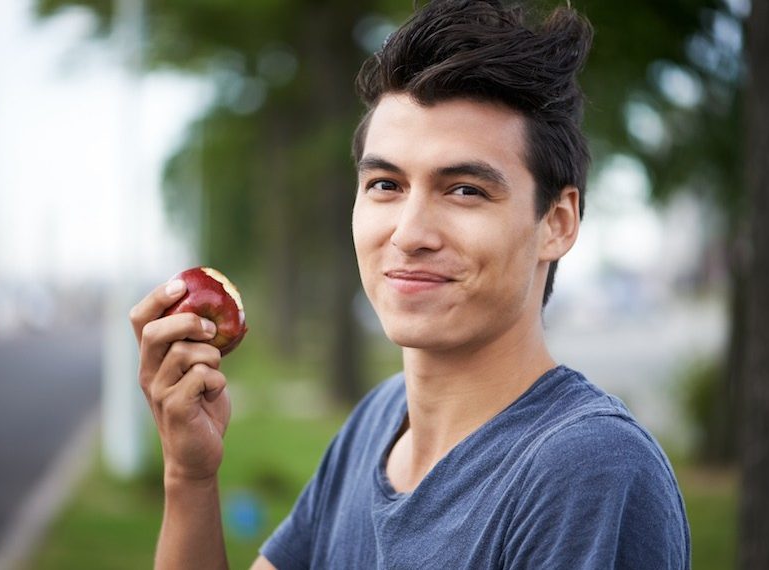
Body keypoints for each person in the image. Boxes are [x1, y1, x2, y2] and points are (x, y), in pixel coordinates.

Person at [128, 0, 691, 568]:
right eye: (385, 184)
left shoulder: (586, 471)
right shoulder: (376, 424)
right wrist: (189, 474)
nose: (410, 233)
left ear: (557, 223)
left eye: (465, 189)